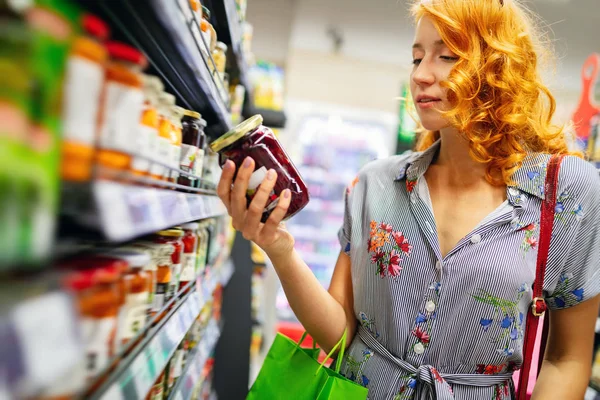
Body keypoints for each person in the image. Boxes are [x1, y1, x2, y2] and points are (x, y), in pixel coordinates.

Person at [217, 0, 600, 398]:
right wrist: (278, 248)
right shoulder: (374, 185)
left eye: (446, 55)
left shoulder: (564, 194)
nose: (420, 74)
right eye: (417, 57)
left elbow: (568, 358)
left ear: (498, 66)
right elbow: (342, 332)